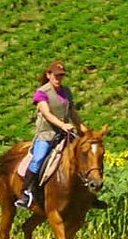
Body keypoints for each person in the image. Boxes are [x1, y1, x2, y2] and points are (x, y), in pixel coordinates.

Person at [15, 60, 106, 210]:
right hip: (47, 134)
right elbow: (47, 113)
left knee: (85, 156)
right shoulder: (42, 93)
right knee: (38, 159)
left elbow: (72, 113)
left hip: (66, 133)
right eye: (56, 76)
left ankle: (90, 195)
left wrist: (84, 130)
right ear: (48, 75)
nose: (59, 79)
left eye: (61, 76)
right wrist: (63, 125)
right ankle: (27, 192)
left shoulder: (67, 92)